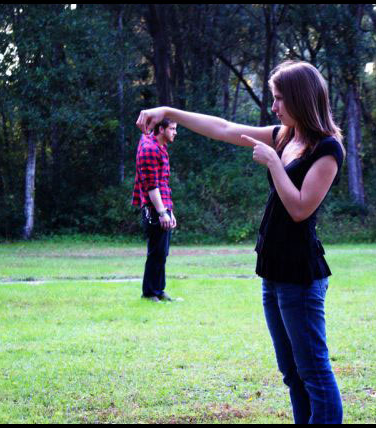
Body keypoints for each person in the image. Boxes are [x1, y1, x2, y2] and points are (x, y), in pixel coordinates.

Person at [136, 60, 345, 423]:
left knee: (314, 373)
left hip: (300, 276)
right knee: (292, 374)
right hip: (272, 271)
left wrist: (273, 163)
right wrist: (169, 111)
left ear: (300, 98)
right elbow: (224, 128)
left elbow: (300, 208)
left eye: (279, 98)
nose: (274, 107)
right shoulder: (284, 136)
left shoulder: (327, 150)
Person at [132, 118, 179, 303]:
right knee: (155, 252)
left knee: (162, 252)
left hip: (163, 206)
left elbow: (163, 183)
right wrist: (162, 212)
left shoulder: (159, 146)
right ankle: (149, 293)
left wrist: (169, 210)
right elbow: (152, 186)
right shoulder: (150, 149)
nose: (175, 132)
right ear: (161, 129)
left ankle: (159, 290)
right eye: (172, 128)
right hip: (154, 209)